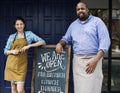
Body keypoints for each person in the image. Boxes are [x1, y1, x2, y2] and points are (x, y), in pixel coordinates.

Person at [56, 2, 110, 93]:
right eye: (78, 9)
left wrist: (95, 60)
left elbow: (105, 43)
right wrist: (60, 44)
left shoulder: (97, 22)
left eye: (82, 8)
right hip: (78, 61)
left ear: (87, 9)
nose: (80, 10)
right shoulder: (73, 25)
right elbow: (66, 39)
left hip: (93, 59)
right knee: (80, 89)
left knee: (92, 89)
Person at [4, 17, 46, 93]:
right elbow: (5, 51)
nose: (19, 26)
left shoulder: (29, 34)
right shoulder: (11, 37)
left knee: (20, 90)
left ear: (24, 25)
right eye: (17, 24)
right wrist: (12, 51)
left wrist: (29, 46)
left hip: (21, 65)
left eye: (21, 24)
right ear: (15, 26)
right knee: (13, 88)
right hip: (11, 64)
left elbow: (42, 42)